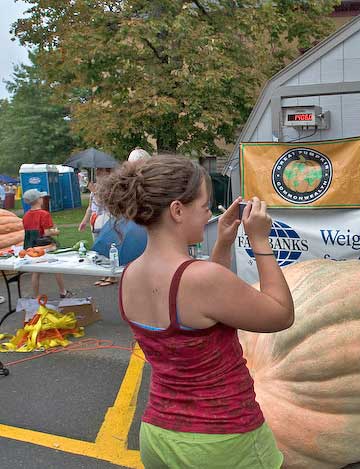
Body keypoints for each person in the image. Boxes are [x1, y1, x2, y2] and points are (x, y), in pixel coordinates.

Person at [97, 155, 292, 468]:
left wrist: (224, 243)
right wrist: (260, 241)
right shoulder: (200, 279)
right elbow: (281, 314)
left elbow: (204, 306)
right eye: (204, 206)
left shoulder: (130, 274)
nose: (209, 214)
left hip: (158, 434)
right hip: (222, 441)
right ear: (177, 210)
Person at [21, 189, 71, 299]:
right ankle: (63, 291)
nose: (42, 199)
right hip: (44, 246)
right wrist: (56, 231)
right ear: (38, 200)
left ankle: (36, 296)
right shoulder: (44, 214)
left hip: (31, 247)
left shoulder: (26, 215)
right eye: (41, 197)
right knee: (56, 266)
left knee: (36, 272)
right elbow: (47, 232)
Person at [79, 168, 116, 286]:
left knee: (108, 248)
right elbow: (90, 207)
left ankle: (112, 275)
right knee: (98, 248)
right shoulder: (93, 190)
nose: (98, 174)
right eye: (97, 172)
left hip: (106, 221)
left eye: (101, 171)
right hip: (95, 222)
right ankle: (104, 274)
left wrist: (95, 191)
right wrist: (84, 221)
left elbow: (104, 203)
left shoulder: (110, 189)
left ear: (108, 173)